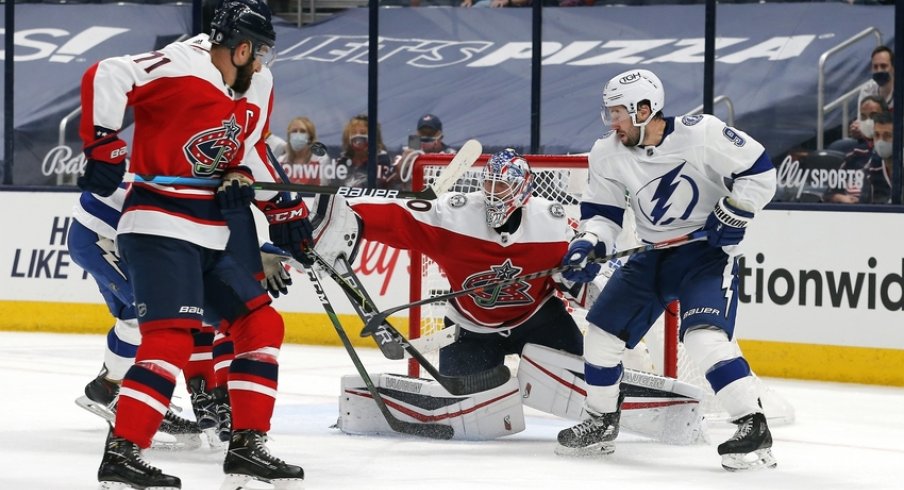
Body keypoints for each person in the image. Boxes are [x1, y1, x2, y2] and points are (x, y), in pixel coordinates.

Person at [76, 1, 309, 487]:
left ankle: (247, 445)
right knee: (169, 337)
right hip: (159, 221)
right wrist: (104, 143)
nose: (263, 63)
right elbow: (108, 73)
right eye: (259, 53)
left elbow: (251, 148)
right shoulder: (182, 63)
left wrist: (278, 205)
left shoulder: (258, 84)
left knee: (260, 323)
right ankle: (122, 453)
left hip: (215, 226)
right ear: (240, 48)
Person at [556, 69, 777, 471]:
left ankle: (752, 425)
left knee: (704, 339)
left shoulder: (702, 133)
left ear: (645, 109)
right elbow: (602, 214)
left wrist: (737, 209)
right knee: (602, 336)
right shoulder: (606, 153)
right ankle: (601, 422)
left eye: (618, 113)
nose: (612, 123)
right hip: (652, 256)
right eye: (609, 114)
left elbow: (760, 170)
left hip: (706, 255)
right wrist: (588, 243)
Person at [344, 149, 584, 376]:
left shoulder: (552, 223)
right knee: (462, 410)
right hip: (470, 328)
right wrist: (341, 213)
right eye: (488, 182)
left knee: (582, 389)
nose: (492, 192)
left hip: (538, 321)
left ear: (523, 188)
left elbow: (579, 274)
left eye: (501, 185)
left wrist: (584, 285)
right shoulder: (454, 216)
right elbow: (396, 218)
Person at [824, 108, 891, 203]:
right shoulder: (855, 156)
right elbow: (828, 193)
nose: (881, 140)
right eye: (877, 135)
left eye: (887, 135)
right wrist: (840, 198)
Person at [390, 113, 457, 190]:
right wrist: (402, 165)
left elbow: (456, 184)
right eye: (422, 133)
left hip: (439, 199)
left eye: (430, 134)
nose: (425, 137)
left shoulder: (451, 155)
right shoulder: (407, 152)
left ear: (440, 136)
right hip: (408, 198)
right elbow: (390, 181)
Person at [329, 113, 394, 188]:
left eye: (363, 133)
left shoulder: (381, 159)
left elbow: (379, 184)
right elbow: (333, 187)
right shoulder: (342, 161)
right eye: (354, 133)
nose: (358, 136)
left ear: (374, 136)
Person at [278, 116, 330, 184]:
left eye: (302, 131)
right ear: (289, 136)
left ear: (310, 137)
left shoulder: (321, 159)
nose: (298, 134)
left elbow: (324, 187)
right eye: (294, 131)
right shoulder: (280, 161)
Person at [858, 45, 894, 112]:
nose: (879, 70)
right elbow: (863, 120)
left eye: (883, 66)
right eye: (875, 67)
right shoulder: (867, 90)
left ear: (893, 68)